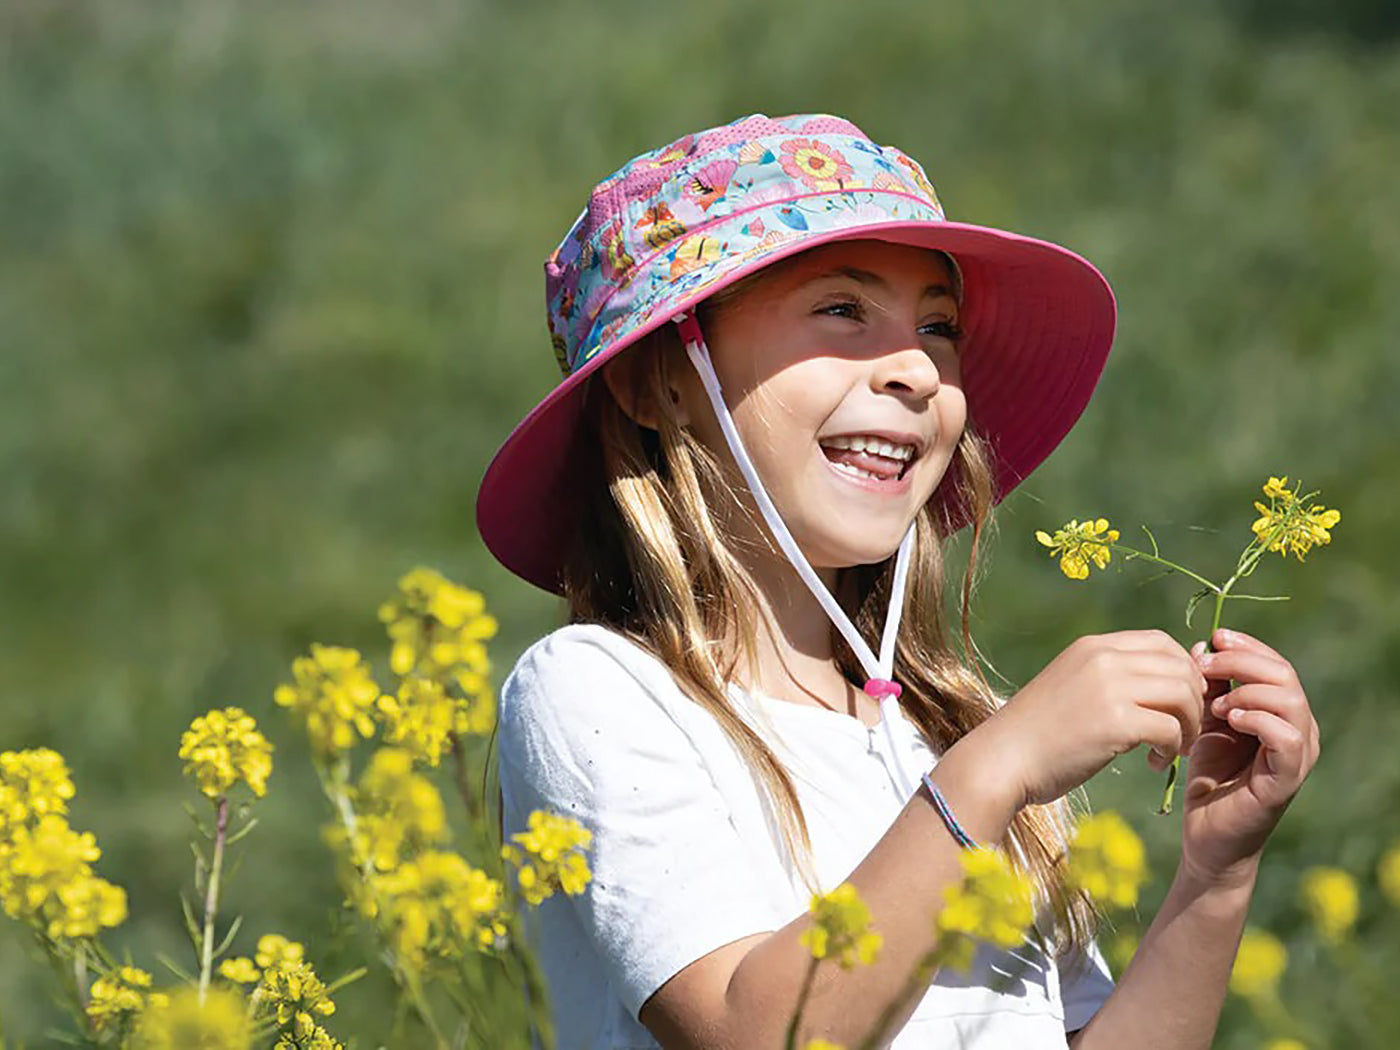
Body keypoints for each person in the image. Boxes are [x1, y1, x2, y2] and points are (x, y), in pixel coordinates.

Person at [475, 113, 1319, 1049]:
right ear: (661, 382)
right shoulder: (597, 691)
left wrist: (1216, 875)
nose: (917, 369)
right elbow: (750, 1032)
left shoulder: (940, 733)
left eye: (939, 327)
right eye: (842, 310)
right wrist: (999, 769)